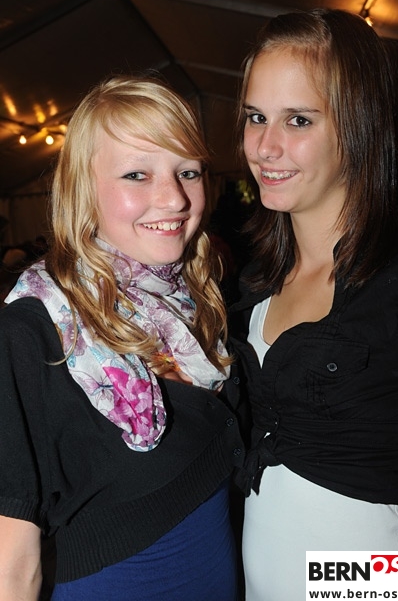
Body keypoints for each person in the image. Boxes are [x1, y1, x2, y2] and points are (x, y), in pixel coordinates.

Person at [0, 75, 244, 600]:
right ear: (82, 190)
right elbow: (11, 569)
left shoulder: (193, 304)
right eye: (137, 174)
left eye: (188, 171)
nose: (174, 198)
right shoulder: (32, 333)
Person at [230, 8, 398, 600]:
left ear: (358, 124)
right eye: (256, 117)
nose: (266, 147)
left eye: (298, 120)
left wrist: (370, 586)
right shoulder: (256, 281)